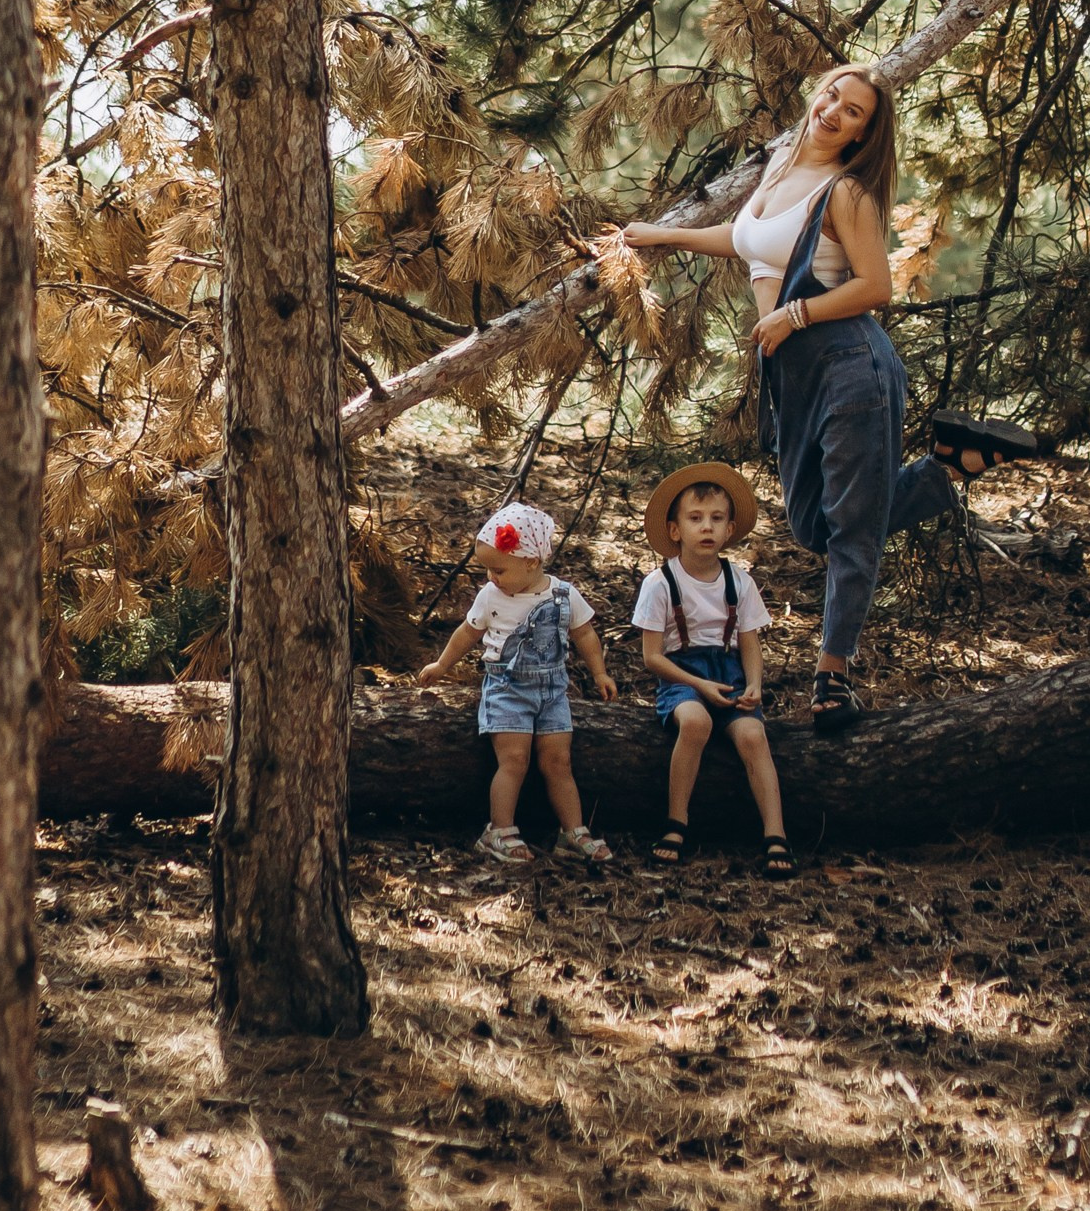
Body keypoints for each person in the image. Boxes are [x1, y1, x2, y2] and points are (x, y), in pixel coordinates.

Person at [624, 61, 1039, 728]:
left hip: (851, 364)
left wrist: (798, 315)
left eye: (853, 112)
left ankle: (832, 676)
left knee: (850, 528)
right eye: (832, 96)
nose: (834, 111)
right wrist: (663, 236)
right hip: (796, 378)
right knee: (814, 524)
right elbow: (744, 240)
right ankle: (949, 466)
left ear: (861, 135)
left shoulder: (846, 192)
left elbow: (878, 285)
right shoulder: (784, 162)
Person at [415, 498, 617, 864]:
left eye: (499, 570)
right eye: (488, 570)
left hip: (553, 691)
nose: (492, 577)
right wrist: (442, 665)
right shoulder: (491, 595)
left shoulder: (563, 593)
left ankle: (572, 831)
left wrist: (599, 672)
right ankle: (499, 829)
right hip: (506, 689)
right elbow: (468, 633)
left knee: (558, 761)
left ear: (532, 562)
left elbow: (585, 634)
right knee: (514, 758)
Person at [633, 462, 793, 875]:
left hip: (729, 673)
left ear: (729, 529)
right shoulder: (660, 584)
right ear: (674, 530)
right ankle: (676, 823)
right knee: (696, 723)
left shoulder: (738, 581)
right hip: (681, 674)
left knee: (754, 734)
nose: (707, 527)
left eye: (716, 519)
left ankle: (775, 834)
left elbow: (749, 642)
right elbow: (652, 657)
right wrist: (698, 685)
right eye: (695, 518)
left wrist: (754, 684)